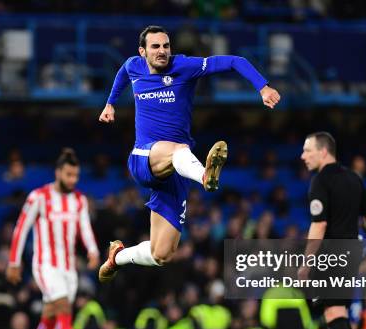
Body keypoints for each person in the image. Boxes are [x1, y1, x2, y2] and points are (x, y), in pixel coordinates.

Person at [97, 25, 280, 281]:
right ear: (143, 51)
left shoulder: (184, 66)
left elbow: (234, 61)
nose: (162, 51)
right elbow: (122, 74)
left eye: (166, 45)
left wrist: (263, 87)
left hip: (176, 169)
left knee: (162, 253)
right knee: (179, 150)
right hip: (144, 157)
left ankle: (117, 256)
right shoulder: (133, 65)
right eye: (155, 46)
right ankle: (206, 176)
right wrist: (110, 104)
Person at [299, 131, 366, 329]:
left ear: (323, 151)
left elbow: (319, 224)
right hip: (352, 252)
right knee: (340, 313)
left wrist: (307, 261)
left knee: (335, 314)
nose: (303, 156)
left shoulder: (320, 181)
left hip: (332, 253)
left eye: (307, 150)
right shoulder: (354, 178)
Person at [6, 148, 100, 329]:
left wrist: (93, 251)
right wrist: (14, 262)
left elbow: (85, 228)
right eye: (69, 175)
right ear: (58, 172)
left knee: (50, 318)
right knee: (63, 310)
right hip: (45, 265)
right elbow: (21, 228)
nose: (73, 180)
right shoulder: (38, 197)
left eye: (75, 176)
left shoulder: (79, 200)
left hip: (69, 268)